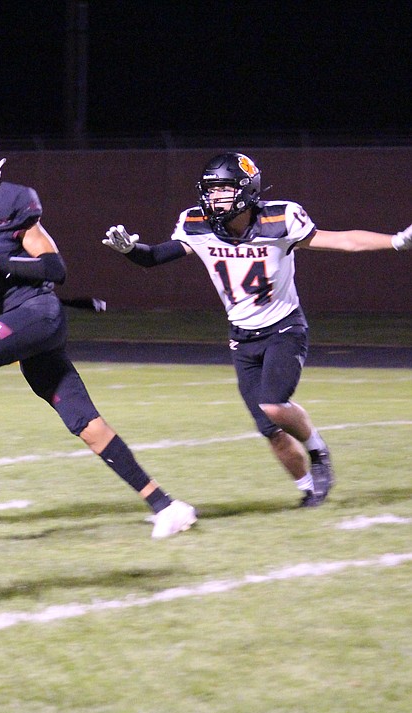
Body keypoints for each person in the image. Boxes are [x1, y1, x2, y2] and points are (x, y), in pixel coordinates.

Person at [0, 128, 197, 539]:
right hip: (21, 320)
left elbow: (54, 269)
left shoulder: (10, 201)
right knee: (85, 422)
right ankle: (167, 506)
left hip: (38, 312)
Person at [102, 152, 412, 508]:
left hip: (284, 326)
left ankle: (318, 450)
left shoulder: (280, 218)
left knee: (274, 406)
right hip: (241, 336)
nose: (214, 197)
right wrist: (130, 250)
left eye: (223, 189)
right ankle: (310, 489)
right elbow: (155, 256)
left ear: (247, 190)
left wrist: (396, 241)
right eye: (211, 190)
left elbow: (341, 240)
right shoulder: (197, 223)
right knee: (270, 430)